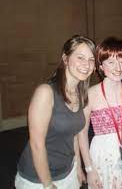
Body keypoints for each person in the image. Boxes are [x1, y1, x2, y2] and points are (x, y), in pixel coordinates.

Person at [15, 35, 96, 189]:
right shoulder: (46, 92)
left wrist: (77, 166)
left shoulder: (80, 93)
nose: (87, 64)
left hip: (67, 171)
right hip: (37, 178)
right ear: (65, 59)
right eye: (80, 57)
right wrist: (47, 185)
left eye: (91, 59)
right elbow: (37, 144)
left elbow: (73, 133)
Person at [78, 37, 122, 189]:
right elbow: (81, 135)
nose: (118, 67)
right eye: (111, 62)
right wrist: (89, 169)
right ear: (101, 66)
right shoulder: (90, 94)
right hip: (103, 154)